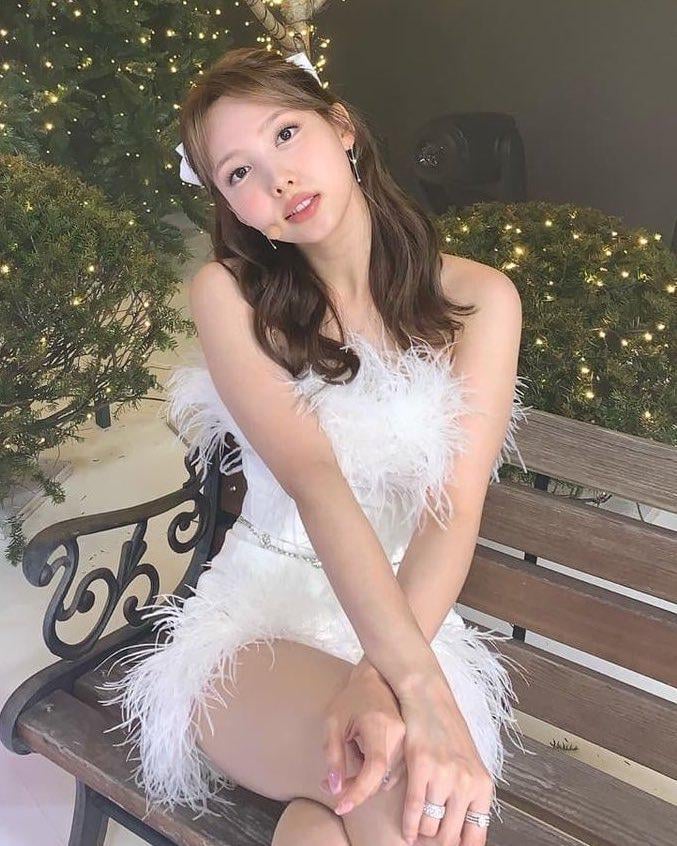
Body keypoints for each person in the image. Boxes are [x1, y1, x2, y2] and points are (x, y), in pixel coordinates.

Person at [97, 45, 532, 846]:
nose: (278, 180)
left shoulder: (479, 299)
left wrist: (385, 674)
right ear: (232, 206)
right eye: (239, 172)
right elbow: (314, 479)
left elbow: (451, 509)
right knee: (397, 792)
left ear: (342, 128)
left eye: (286, 134)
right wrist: (414, 693)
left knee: (336, 817)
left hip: (409, 624)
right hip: (261, 623)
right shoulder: (230, 297)